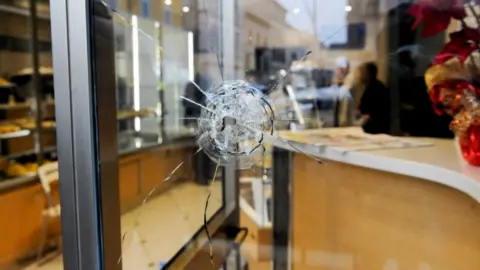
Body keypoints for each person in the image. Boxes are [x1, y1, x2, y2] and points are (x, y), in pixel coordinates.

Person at [357, 62, 391, 134]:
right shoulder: (376, 86)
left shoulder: (374, 89)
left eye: (362, 73)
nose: (360, 76)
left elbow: (366, 110)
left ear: (368, 74)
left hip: (375, 128)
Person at [183, 62, 212, 127]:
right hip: (193, 121)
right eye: (204, 69)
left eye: (207, 69)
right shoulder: (191, 85)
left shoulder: (209, 84)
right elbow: (186, 102)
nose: (206, 71)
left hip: (204, 121)